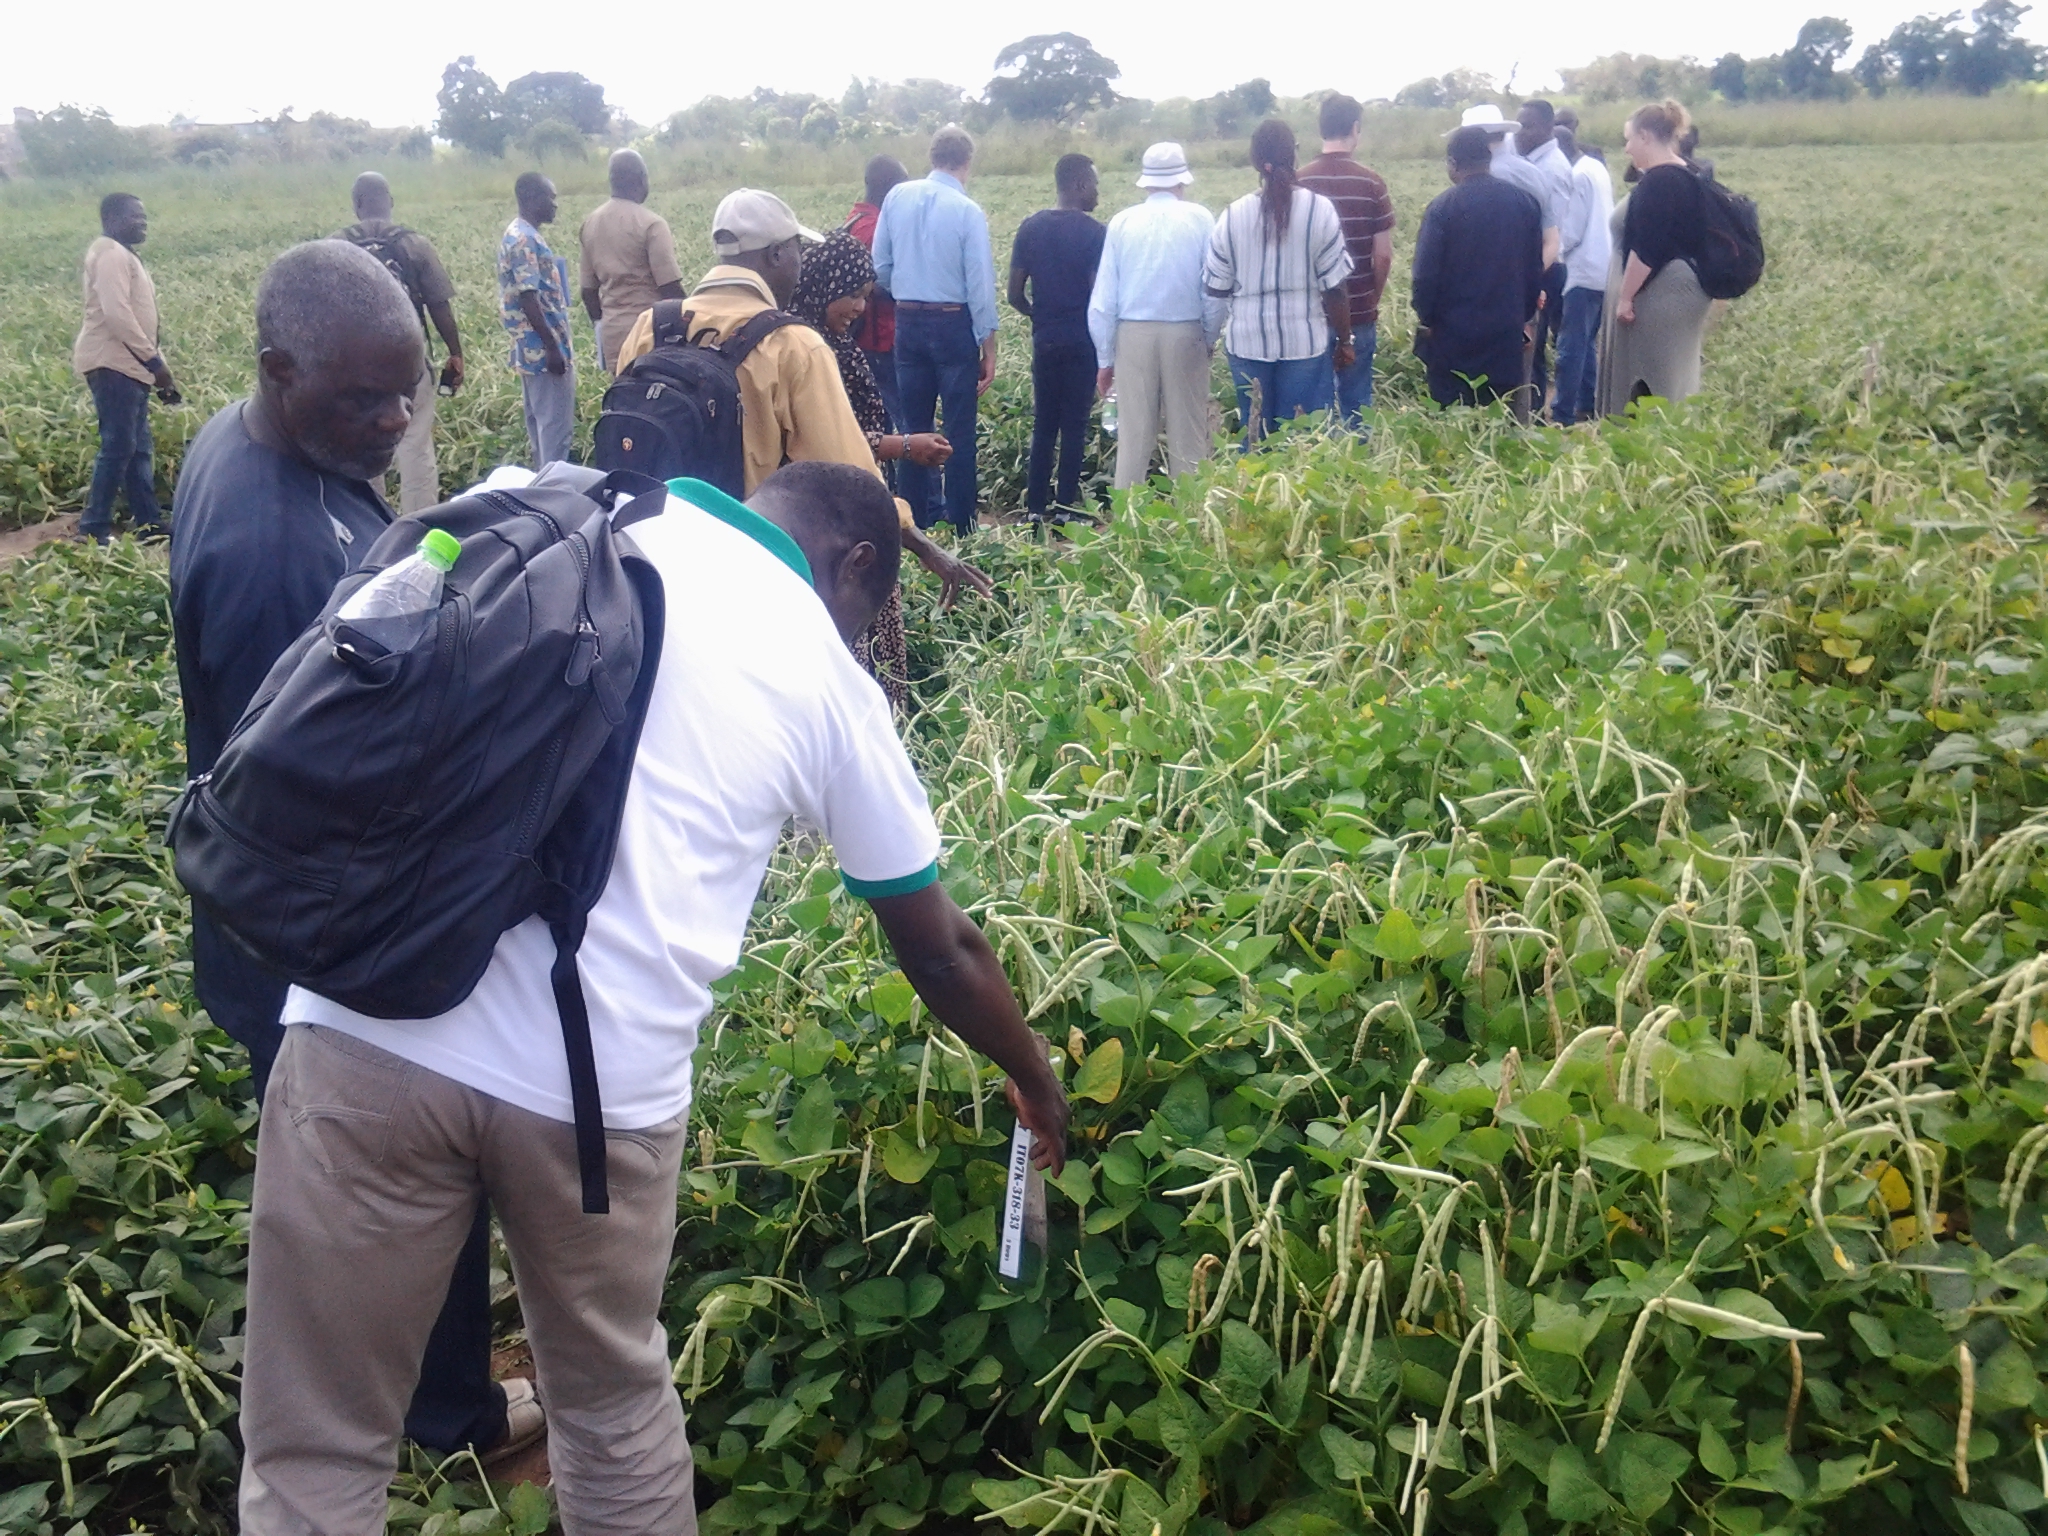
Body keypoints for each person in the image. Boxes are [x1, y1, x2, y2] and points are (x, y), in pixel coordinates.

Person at [236, 457, 1072, 1534]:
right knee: (609, 1411)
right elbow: (941, 946)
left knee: (316, 1442)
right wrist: (1030, 1073)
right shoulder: (823, 673)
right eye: (873, 608)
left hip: (365, 1020)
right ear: (855, 562)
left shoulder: (548, 498)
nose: (864, 631)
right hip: (593, 1098)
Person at [169, 241, 543, 1493]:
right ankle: (450, 1415)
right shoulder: (275, 546)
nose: (390, 426)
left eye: (404, 400)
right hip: (309, 926)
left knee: (346, 1170)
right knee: (407, 1166)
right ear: (279, 370)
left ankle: (417, 1381)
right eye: (360, 403)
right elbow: (336, 782)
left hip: (277, 915)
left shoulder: (265, 443)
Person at [613, 191, 991, 608]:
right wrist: (922, 544)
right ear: (776, 255)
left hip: (652, 545)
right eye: (796, 250)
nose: (799, 264)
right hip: (741, 557)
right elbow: (851, 471)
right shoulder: (791, 344)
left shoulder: (654, 323)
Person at [788, 227, 962, 708]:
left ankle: (886, 725)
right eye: (852, 296)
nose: (861, 308)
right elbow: (827, 447)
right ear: (823, 285)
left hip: (863, 497)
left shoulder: (831, 343)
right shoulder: (805, 352)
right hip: (834, 511)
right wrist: (903, 446)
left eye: (867, 297)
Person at [872, 125, 999, 534]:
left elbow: (882, 267)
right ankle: (962, 525)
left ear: (931, 156)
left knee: (912, 430)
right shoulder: (966, 211)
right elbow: (979, 284)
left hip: (908, 321)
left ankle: (914, 524)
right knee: (958, 428)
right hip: (952, 321)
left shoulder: (896, 197)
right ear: (967, 163)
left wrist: (908, 292)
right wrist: (988, 344)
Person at [1204, 119, 1353, 444]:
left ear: (1255, 161)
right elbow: (1335, 288)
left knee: (1254, 435)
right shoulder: (1320, 211)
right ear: (1295, 155)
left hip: (1247, 343)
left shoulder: (1232, 215)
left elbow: (1215, 286)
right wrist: (1345, 341)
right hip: (1305, 344)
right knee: (1299, 441)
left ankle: (1253, 493)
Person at [1087, 143, 1218, 492]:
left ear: (1145, 183)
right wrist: (1209, 335)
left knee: (1133, 440)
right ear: (1182, 181)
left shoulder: (1123, 222)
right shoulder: (1201, 218)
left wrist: (1104, 358)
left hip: (1133, 335)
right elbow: (1213, 289)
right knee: (1189, 438)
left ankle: (1127, 530)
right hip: (1186, 330)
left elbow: (1103, 301)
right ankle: (1191, 524)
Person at [335, 172, 464, 512]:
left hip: (353, 369)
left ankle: (372, 526)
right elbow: (439, 305)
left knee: (362, 448)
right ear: (390, 202)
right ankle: (417, 528)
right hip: (408, 365)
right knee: (416, 448)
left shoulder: (335, 248)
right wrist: (455, 353)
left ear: (356, 204)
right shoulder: (414, 244)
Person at [1410, 126, 1545, 417]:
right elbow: (1534, 272)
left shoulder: (1442, 208)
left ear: (1453, 163)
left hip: (1452, 340)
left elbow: (1424, 277)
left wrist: (1427, 318)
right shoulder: (1524, 204)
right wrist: (1519, 317)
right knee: (1499, 421)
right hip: (1504, 338)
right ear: (1489, 160)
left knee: (1453, 424)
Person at [72, 193, 178, 543]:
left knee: (137, 448)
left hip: (127, 365)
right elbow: (118, 315)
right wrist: (153, 362)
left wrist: (157, 367)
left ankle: (147, 522)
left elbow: (138, 319)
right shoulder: (109, 254)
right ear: (113, 218)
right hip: (111, 362)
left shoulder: (121, 254)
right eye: (136, 217)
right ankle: (93, 528)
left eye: (144, 217)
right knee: (118, 446)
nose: (143, 223)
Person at [1598, 100, 1715, 417]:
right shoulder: (1687, 173)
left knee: (1651, 379)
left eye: (1630, 138)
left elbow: (1648, 248)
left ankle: (1650, 451)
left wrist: (1625, 298)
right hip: (1676, 292)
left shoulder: (1661, 180)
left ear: (1646, 136)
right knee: (1674, 379)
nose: (1627, 148)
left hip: (1660, 296)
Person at [1007, 154, 1105, 522]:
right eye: (1094, 184)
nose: (1098, 192)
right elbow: (1098, 296)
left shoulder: (1031, 228)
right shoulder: (1096, 233)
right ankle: (1065, 509)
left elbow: (1014, 294)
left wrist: (1040, 316)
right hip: (1082, 340)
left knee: (1044, 423)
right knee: (1075, 425)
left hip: (1045, 339)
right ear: (1079, 185)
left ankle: (1034, 509)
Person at [1299, 94, 1395, 430]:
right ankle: (1357, 473)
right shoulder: (1372, 182)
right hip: (1357, 313)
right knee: (1356, 405)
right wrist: (1371, 298)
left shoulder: (1299, 182)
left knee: (1313, 410)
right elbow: (1382, 255)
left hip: (1307, 316)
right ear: (1355, 129)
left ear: (1320, 129)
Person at [580, 150, 685, 375]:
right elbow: (670, 288)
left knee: (623, 399)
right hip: (651, 333)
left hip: (613, 335)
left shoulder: (591, 223)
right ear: (641, 178)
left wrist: (604, 324)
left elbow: (588, 292)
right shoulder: (651, 224)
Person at [498, 172, 575, 466]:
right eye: (550, 198)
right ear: (531, 199)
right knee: (555, 432)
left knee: (541, 429)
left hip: (531, 348)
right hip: (543, 350)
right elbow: (529, 298)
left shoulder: (518, 233)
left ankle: (542, 487)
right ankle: (552, 496)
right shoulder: (524, 240)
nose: (555, 205)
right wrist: (553, 348)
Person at [1514, 100, 1576, 411]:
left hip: (1544, 267)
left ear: (1548, 128)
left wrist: (1531, 276)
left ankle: (1534, 415)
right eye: (1519, 125)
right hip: (1535, 266)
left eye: (1528, 126)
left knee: (1532, 348)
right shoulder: (1532, 162)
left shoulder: (1551, 168)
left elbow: (1552, 232)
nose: (1520, 133)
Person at [1551, 126, 1614, 426]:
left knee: (1570, 345)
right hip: (1604, 267)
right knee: (1587, 341)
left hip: (1582, 269)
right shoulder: (1595, 167)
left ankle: (1562, 413)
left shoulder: (1576, 176)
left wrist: (1551, 251)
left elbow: (1572, 231)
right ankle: (1587, 403)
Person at [847, 155, 910, 433]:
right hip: (880, 339)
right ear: (890, 189)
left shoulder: (855, 219)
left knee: (878, 426)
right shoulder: (873, 229)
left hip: (866, 338)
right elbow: (878, 286)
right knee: (911, 425)